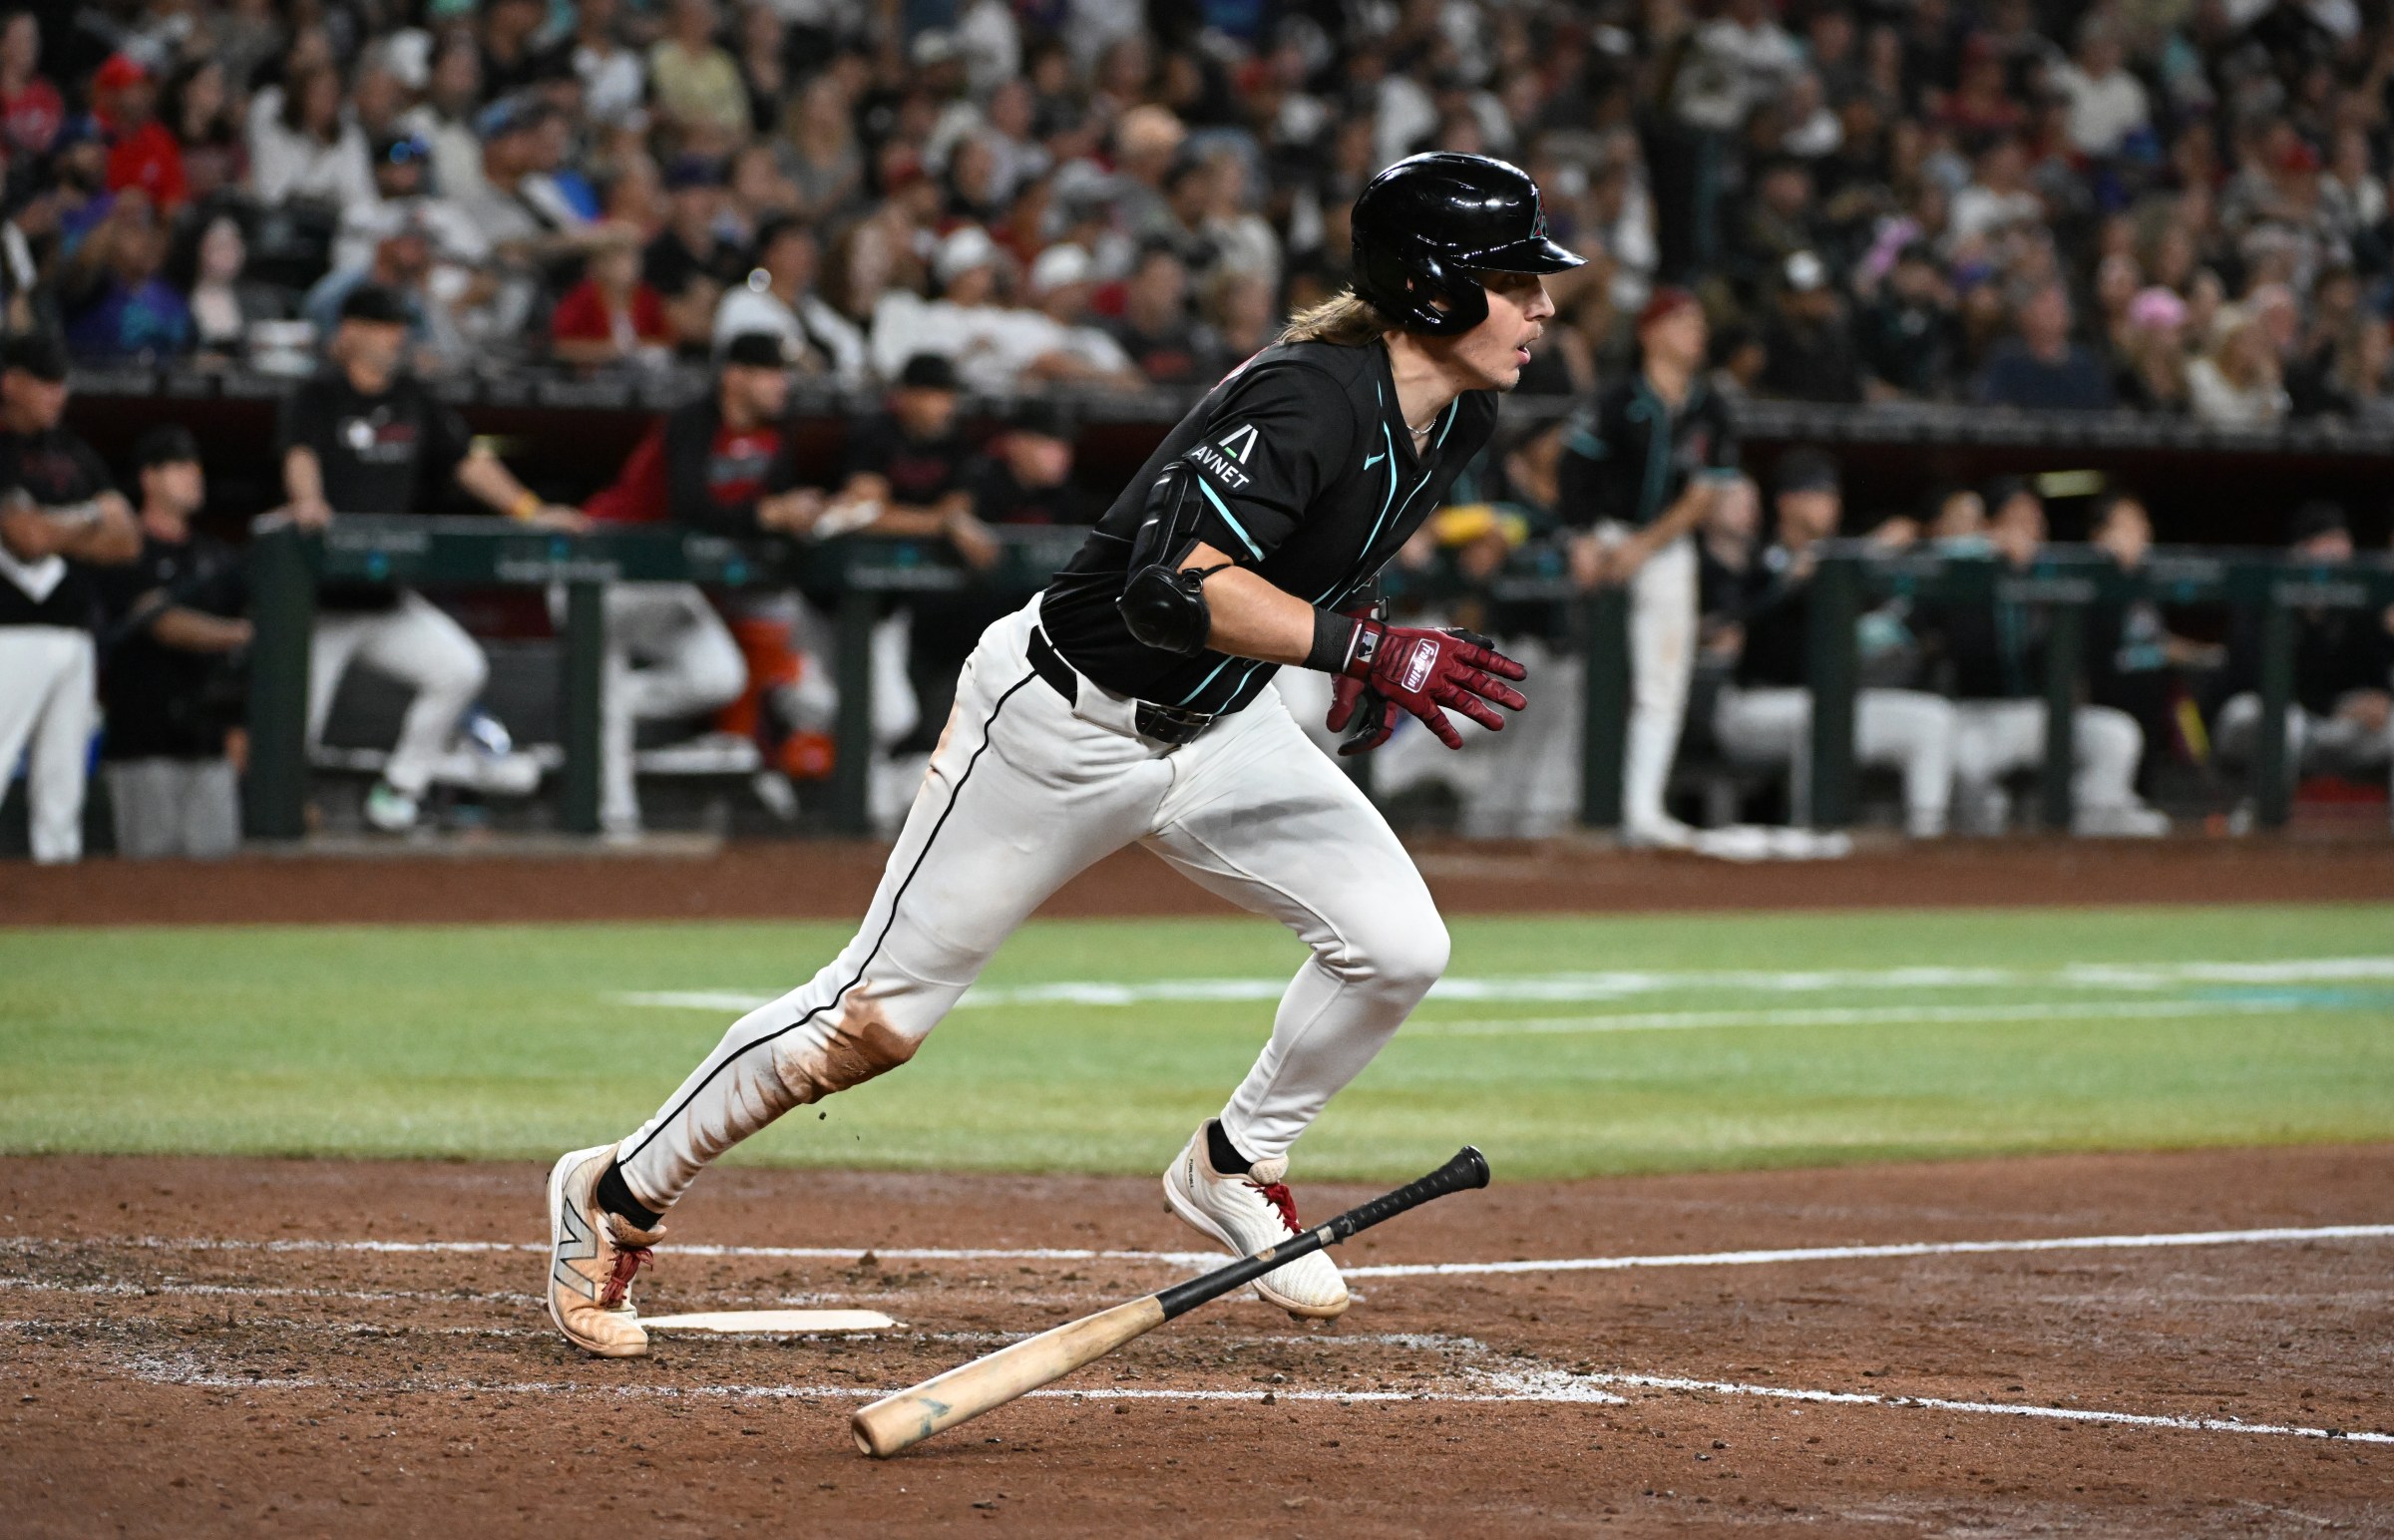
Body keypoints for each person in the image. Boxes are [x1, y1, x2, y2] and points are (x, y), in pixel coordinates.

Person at [544, 152, 1568, 1356]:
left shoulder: (1460, 409)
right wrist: (1368, 652)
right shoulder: (1307, 397)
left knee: (1399, 946)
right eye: (1517, 281)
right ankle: (613, 1191)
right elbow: (1174, 588)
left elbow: (1337, 535)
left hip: (1223, 730)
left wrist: (1360, 645)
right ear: (1435, 289)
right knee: (875, 1018)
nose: (1543, 306)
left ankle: (1233, 1160)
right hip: (1058, 724)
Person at [279, 283, 582, 834]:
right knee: (292, 725)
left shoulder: (413, 397)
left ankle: (399, 788)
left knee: (459, 668)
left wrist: (531, 511)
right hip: (320, 605)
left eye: (399, 328)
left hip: (384, 598)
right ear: (349, 331)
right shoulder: (317, 396)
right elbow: (300, 456)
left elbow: (467, 462)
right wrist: (308, 500)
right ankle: (275, 827)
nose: (396, 339)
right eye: (384, 328)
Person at [578, 332, 819, 835]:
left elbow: (772, 513)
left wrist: (803, 516)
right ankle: (611, 820)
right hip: (607, 565)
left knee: (718, 677)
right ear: (735, 376)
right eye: (772, 372)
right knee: (606, 683)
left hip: (663, 583)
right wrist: (768, 513)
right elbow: (691, 507)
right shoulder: (692, 422)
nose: (783, 385)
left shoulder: (777, 433)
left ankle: (611, 703)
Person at [1555, 286, 1740, 848]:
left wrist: (1645, 546)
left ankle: (1642, 809)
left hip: (1664, 548)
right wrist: (1580, 537)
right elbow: (1572, 468)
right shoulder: (1616, 398)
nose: (1697, 333)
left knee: (1663, 680)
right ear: (1651, 331)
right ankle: (1575, 801)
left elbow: (1706, 493)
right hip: (1604, 534)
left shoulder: (1710, 404)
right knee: (1579, 674)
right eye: (1685, 321)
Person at [1709, 450, 1958, 837]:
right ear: (1788, 503)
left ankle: (1925, 840)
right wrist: (1855, 555)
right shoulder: (1757, 557)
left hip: (1829, 701)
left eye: (1833, 496)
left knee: (1931, 721)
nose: (1831, 506)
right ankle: (1813, 836)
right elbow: (1746, 611)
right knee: (1821, 717)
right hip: (1754, 704)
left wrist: (1873, 559)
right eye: (1819, 496)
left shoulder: (1840, 562)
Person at [1914, 483, 2169, 836]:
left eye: (2034, 522)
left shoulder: (2060, 573)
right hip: (1982, 712)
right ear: (1990, 528)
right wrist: (1986, 566)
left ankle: (2091, 835)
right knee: (1968, 762)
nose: (2025, 532)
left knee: (2115, 736)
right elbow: (1946, 634)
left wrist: (2111, 571)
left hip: (2045, 713)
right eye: (2014, 520)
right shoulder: (1967, 575)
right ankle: (1979, 854)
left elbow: (2101, 644)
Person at [0, 332, 139, 864]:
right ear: (11, 383)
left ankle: (59, 906)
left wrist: (53, 523)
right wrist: (88, 518)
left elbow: (126, 540)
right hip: (10, 631)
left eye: (61, 384)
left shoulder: (71, 451)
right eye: (45, 383)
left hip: (74, 632)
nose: (57, 395)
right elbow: (25, 539)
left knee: (63, 789)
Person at [93, 425, 250, 860]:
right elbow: (160, 623)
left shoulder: (216, 555)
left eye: (195, 468)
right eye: (178, 467)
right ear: (149, 477)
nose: (192, 477)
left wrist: (240, 727)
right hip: (143, 742)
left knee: (217, 883)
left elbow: (247, 653)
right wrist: (236, 634)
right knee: (147, 877)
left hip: (209, 744)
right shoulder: (124, 548)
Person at [2212, 503, 2392, 821]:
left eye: (2343, 542)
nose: (2340, 552)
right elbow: (2252, 679)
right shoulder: (2264, 597)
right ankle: (2263, 818)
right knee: (2284, 720)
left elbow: (2375, 677)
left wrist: (2379, 695)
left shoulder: (2359, 607)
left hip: (2328, 726)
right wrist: (2330, 706)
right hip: (2251, 721)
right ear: (2300, 551)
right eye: (2327, 542)